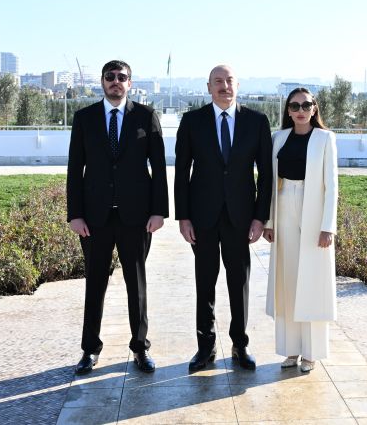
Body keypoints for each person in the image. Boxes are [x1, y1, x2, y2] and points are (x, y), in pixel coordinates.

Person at [66, 59, 168, 375]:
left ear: (130, 83)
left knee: (136, 285)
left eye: (121, 77)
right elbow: (75, 169)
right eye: (110, 76)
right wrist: (75, 215)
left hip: (136, 217)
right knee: (95, 284)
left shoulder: (146, 116)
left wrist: (159, 211)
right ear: (102, 82)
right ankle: (89, 350)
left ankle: (140, 348)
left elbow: (159, 167)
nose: (115, 81)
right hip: (94, 219)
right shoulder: (84, 118)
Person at [175, 64, 273, 372]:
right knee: (205, 282)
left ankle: (239, 344)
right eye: (218, 81)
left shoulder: (257, 121)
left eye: (229, 80)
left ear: (237, 85)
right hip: (202, 218)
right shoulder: (192, 121)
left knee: (239, 282)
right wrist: (183, 217)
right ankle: (205, 348)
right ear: (208, 87)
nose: (224, 86)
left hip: (241, 217)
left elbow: (266, 175)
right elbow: (181, 172)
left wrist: (260, 217)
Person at [263, 87, 338, 373]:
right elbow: (270, 183)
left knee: (312, 280)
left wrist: (327, 226)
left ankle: (311, 352)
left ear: (314, 108)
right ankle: (291, 349)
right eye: (294, 106)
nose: (301, 111)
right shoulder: (279, 138)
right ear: (288, 111)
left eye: (306, 105)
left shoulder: (325, 139)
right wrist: (269, 222)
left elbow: (332, 187)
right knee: (288, 280)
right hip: (283, 205)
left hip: (313, 209)